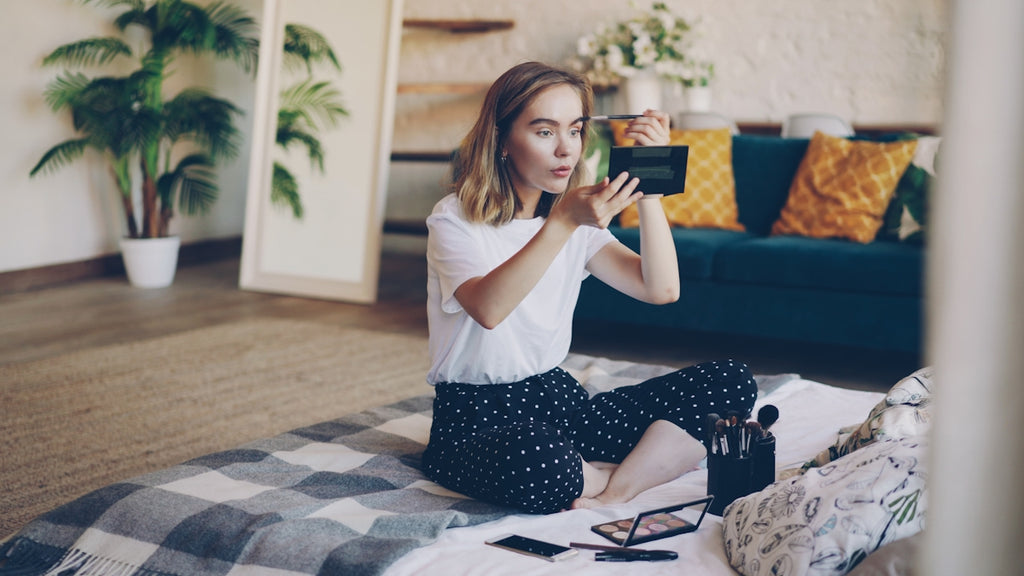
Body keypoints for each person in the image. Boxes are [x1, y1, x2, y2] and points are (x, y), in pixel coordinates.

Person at [421, 61, 756, 514]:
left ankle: (613, 489)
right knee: (537, 463)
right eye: (544, 132)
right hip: (476, 418)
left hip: (558, 400)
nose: (566, 150)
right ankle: (615, 471)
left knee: (730, 382)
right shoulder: (455, 219)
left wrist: (650, 184)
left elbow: (660, 290)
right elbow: (489, 308)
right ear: (501, 140)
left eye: (575, 130)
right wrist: (560, 224)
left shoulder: (573, 222)